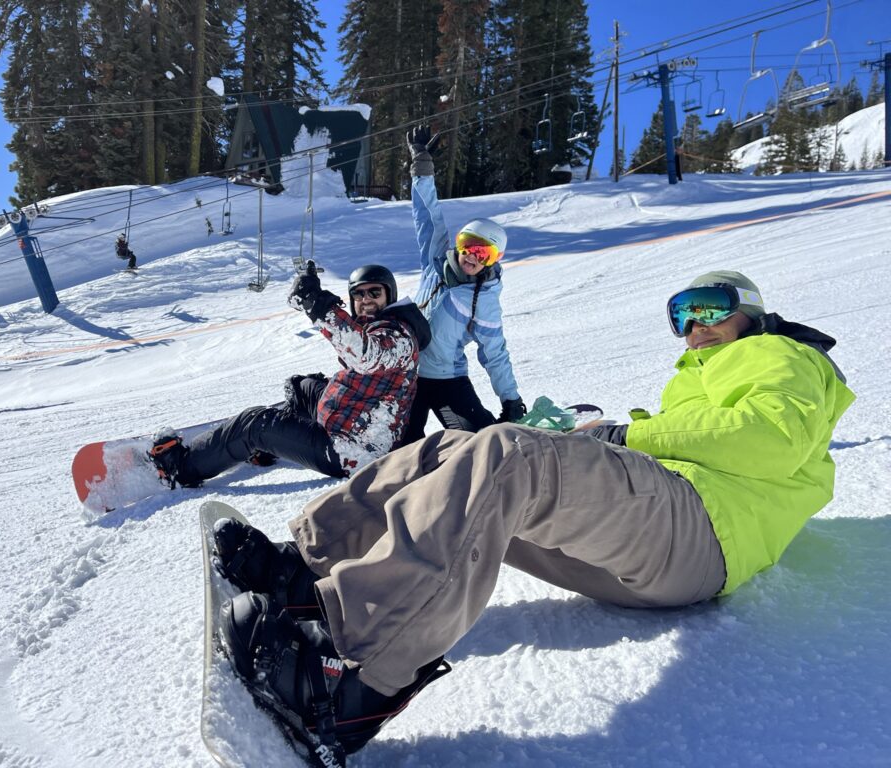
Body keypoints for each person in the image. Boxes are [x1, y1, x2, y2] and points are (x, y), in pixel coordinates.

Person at [210, 270, 855, 765]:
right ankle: (308, 572)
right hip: (667, 542)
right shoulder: (704, 371)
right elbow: (693, 436)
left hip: (706, 530)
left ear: (752, 311)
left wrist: (628, 437)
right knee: (455, 448)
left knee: (507, 455)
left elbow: (767, 436)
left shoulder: (781, 357)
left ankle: (350, 685)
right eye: (681, 316)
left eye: (710, 308)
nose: (695, 326)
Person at [149, 262, 431, 488]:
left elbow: (366, 356)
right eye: (359, 294)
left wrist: (317, 304)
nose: (365, 300)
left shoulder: (398, 334)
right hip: (353, 421)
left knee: (255, 423)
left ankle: (181, 468)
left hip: (351, 451)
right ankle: (268, 448)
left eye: (374, 293)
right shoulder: (375, 325)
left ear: (389, 295)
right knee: (302, 387)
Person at [402, 125, 525, 442]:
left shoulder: (483, 298)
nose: (472, 256)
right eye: (468, 244)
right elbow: (427, 215)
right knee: (398, 448)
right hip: (406, 376)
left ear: (493, 260)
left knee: (478, 442)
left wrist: (509, 398)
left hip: (447, 378)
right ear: (458, 243)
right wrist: (422, 168)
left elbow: (494, 351)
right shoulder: (435, 261)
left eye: (483, 252)